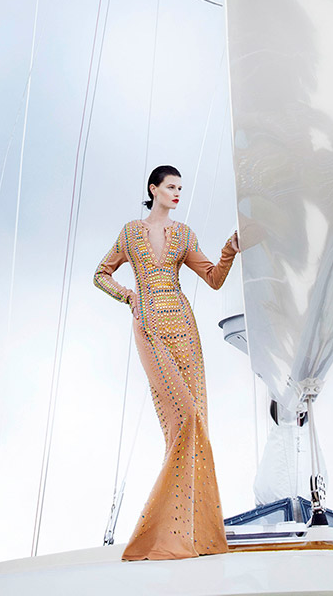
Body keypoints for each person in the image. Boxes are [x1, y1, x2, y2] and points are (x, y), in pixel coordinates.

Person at [93, 165, 240, 561]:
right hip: (151, 329)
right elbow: (100, 274)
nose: (177, 193)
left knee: (197, 424)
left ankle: (195, 535)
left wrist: (229, 250)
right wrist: (129, 297)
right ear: (153, 189)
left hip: (185, 330)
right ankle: (160, 533)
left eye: (180, 188)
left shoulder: (184, 234)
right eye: (171, 187)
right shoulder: (130, 232)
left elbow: (212, 278)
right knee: (184, 418)